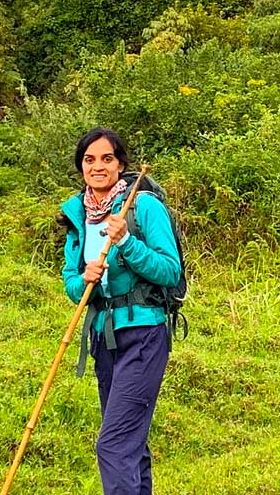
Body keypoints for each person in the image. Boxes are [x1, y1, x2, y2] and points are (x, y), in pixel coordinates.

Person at [60, 127, 181, 495]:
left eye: (107, 158)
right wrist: (85, 279)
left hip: (144, 334)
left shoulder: (143, 207)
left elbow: (169, 270)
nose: (98, 166)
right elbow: (71, 283)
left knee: (112, 445)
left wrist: (127, 241)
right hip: (104, 339)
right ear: (81, 167)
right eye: (89, 159)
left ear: (121, 164)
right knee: (130, 444)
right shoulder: (78, 215)